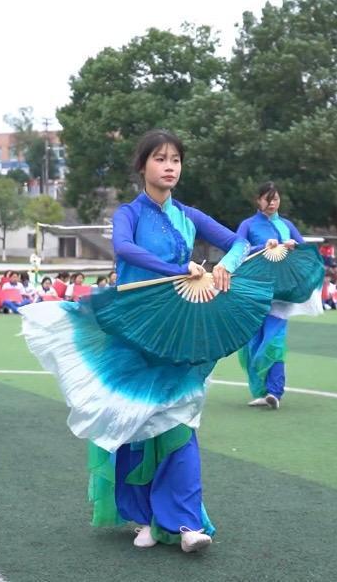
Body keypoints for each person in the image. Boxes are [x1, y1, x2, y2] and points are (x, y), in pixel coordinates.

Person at [21, 129, 250, 553]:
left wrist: (227, 266)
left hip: (180, 328)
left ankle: (185, 523)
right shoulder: (129, 213)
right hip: (134, 328)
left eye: (175, 160)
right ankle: (143, 516)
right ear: (142, 166)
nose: (169, 167)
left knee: (181, 418)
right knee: (136, 421)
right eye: (160, 159)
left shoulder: (189, 214)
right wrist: (177, 267)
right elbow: (124, 249)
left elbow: (239, 241)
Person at [233, 182, 319, 409]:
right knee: (252, 343)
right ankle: (261, 391)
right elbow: (236, 249)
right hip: (253, 292)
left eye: (276, 199)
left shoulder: (287, 225)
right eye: (267, 199)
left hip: (281, 293)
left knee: (274, 340)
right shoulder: (248, 225)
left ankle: (274, 391)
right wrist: (262, 247)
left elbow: (306, 251)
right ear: (258, 200)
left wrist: (294, 246)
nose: (272, 203)